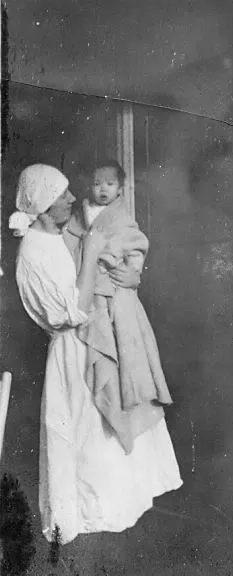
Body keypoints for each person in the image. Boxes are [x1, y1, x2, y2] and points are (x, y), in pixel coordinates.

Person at [9, 164, 182, 545]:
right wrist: (89, 255)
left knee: (106, 434)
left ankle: (116, 513)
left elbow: (114, 259)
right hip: (74, 350)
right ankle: (92, 520)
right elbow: (74, 311)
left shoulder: (57, 235)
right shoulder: (34, 253)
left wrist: (132, 276)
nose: (73, 199)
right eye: (63, 196)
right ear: (43, 205)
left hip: (94, 339)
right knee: (87, 437)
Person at [63, 159, 173, 455]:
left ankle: (127, 433)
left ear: (121, 188)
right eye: (97, 183)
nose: (102, 189)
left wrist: (131, 270)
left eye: (110, 184)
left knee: (124, 361)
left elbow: (135, 244)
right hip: (86, 298)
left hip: (117, 297)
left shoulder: (121, 217)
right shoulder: (78, 216)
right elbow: (72, 248)